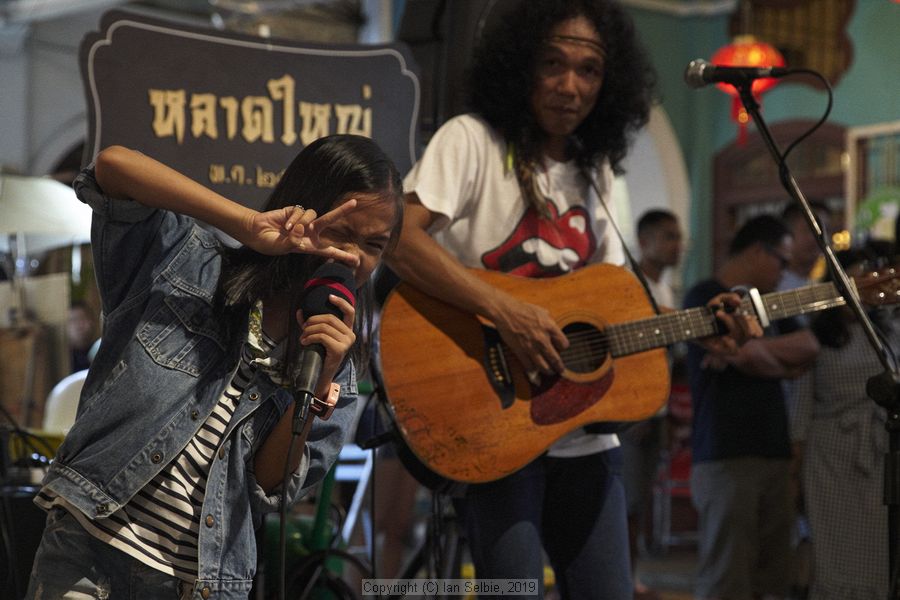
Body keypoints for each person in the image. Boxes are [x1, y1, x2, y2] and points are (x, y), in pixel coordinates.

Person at [385, 1, 758, 598]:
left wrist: (697, 325)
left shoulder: (600, 173)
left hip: (586, 438)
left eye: (589, 70)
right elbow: (396, 235)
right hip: (495, 421)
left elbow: (616, 304)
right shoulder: (472, 142)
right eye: (552, 64)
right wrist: (506, 311)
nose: (570, 85)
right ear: (520, 65)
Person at [25, 135, 404, 599]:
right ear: (303, 207)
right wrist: (247, 225)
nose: (353, 256)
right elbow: (113, 167)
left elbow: (268, 484)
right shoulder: (188, 266)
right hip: (90, 551)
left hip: (200, 584)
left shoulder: (341, 373)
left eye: (374, 244)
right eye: (341, 231)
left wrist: (321, 375)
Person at [683, 215, 820, 600]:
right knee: (727, 577)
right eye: (782, 259)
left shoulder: (769, 304)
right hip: (725, 453)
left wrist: (750, 353)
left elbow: (809, 347)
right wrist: (778, 364)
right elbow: (769, 360)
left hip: (774, 452)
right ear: (758, 250)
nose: (786, 270)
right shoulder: (703, 296)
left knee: (772, 577)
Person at [791, 246, 897, 600]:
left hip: (882, 448)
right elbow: (801, 408)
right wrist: (795, 468)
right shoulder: (815, 337)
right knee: (835, 548)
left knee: (882, 544)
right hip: (831, 457)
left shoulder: (888, 331)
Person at [622, 209, 683, 600]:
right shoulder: (631, 285)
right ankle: (622, 578)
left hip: (656, 410)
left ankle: (631, 574)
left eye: (678, 237)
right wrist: (635, 408)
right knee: (625, 502)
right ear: (644, 241)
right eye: (668, 237)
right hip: (631, 412)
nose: (676, 245)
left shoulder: (667, 291)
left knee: (641, 499)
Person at [66, 300, 97, 373]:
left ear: (92, 321)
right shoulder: (64, 359)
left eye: (82, 319)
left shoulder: (100, 350)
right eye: (73, 320)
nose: (79, 325)